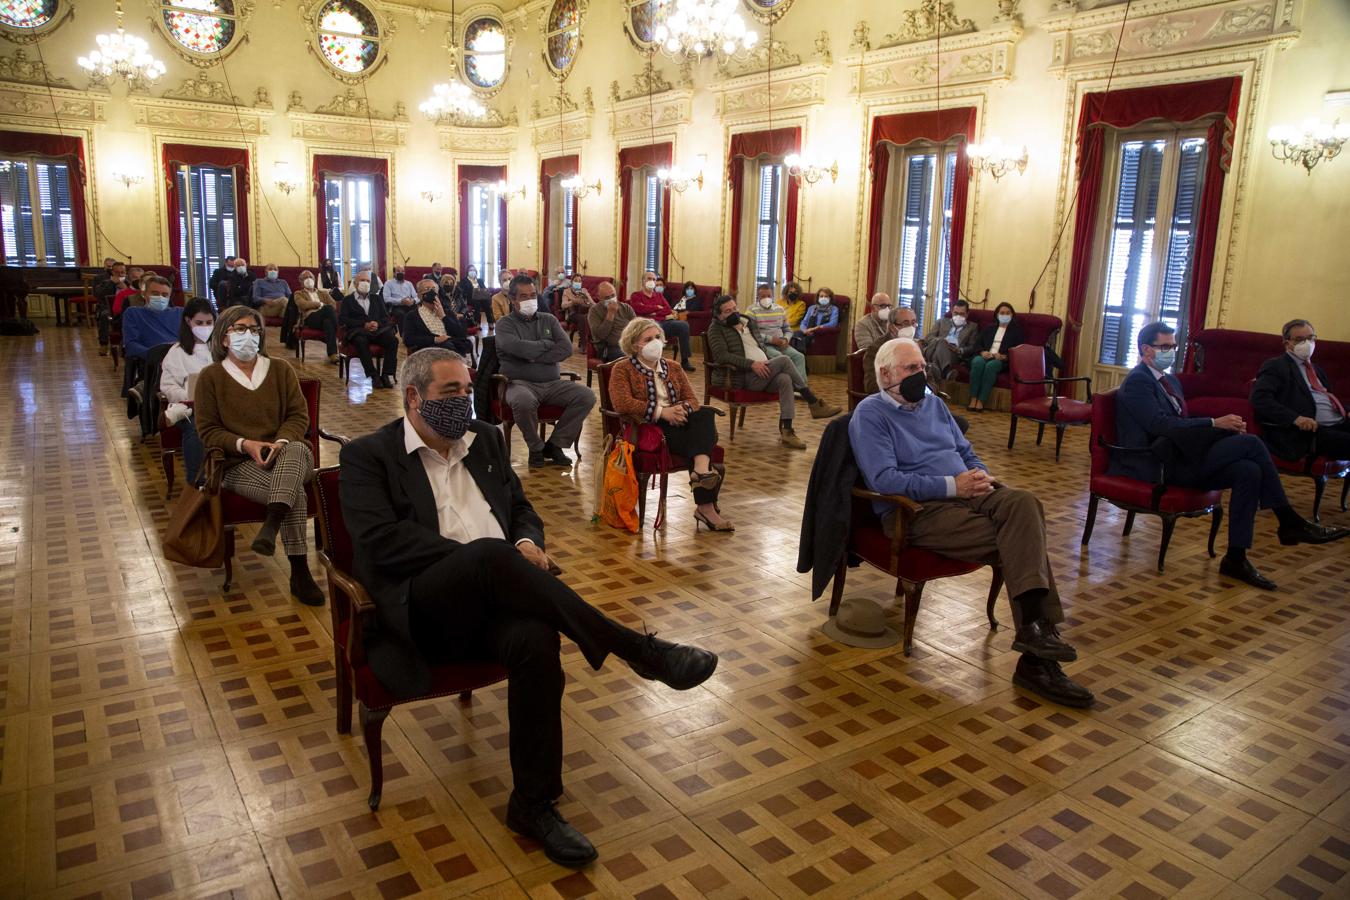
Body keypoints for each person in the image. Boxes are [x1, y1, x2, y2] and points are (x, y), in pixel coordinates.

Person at [339, 348, 717, 867]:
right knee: (491, 557)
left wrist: (524, 542)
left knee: (536, 642)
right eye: (449, 393)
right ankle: (636, 649)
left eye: (467, 390)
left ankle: (533, 805)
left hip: (498, 600)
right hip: (424, 609)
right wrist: (486, 559)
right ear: (413, 397)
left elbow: (520, 508)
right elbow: (380, 542)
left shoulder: (486, 440)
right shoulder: (369, 456)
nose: (463, 401)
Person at [850, 337, 1094, 708]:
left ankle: (1034, 633)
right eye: (911, 369)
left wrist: (980, 474)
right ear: (885, 374)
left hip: (971, 495)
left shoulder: (933, 403)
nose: (922, 374)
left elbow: (964, 451)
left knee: (1025, 503)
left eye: (922, 367)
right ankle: (1038, 657)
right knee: (1021, 542)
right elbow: (885, 479)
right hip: (920, 511)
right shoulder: (871, 414)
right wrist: (953, 485)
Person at [1113, 321, 1347, 591]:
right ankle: (1288, 520)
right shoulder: (1138, 382)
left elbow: (1181, 422)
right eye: (1164, 347)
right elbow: (1159, 425)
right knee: (1251, 445)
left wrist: (1222, 425)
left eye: (1174, 346)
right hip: (1156, 464)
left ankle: (1236, 557)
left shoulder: (1169, 379)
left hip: (1180, 455)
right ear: (1146, 349)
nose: (1171, 351)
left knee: (1249, 470)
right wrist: (1214, 424)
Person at [194, 306, 324, 606]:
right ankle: (300, 571)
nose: (248, 336)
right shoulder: (211, 377)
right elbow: (208, 431)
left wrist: (278, 442)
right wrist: (245, 444)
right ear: (224, 338)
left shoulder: (280, 369)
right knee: (294, 493)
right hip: (239, 464)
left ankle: (272, 522)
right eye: (240, 329)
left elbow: (298, 416)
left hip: (286, 454)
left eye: (254, 330)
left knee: (295, 447)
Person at [610, 318, 734, 531]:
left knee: (704, 414)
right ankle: (706, 504)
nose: (655, 342)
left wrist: (680, 410)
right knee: (701, 441)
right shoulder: (623, 369)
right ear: (634, 344)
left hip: (680, 422)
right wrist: (662, 412)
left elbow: (692, 400)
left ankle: (700, 472)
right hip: (649, 428)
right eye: (648, 339)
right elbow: (622, 403)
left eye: (658, 337)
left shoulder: (674, 367)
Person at [705, 294, 840, 450]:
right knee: (784, 360)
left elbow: (760, 346)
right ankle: (813, 402)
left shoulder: (748, 322)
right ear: (719, 315)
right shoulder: (716, 328)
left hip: (763, 371)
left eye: (735, 308)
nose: (734, 312)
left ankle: (788, 431)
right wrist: (752, 364)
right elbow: (722, 356)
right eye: (728, 311)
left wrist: (764, 360)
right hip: (742, 376)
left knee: (784, 379)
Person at [495, 274, 597, 468]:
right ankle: (535, 448)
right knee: (523, 401)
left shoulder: (548, 320)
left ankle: (555, 445)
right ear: (513, 299)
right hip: (518, 383)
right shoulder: (504, 324)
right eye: (524, 296)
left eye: (533, 295)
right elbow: (516, 347)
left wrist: (531, 356)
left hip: (552, 383)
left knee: (586, 396)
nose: (530, 300)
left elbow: (565, 349)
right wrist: (545, 345)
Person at [1251, 318, 1350, 462]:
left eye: (1311, 338)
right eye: (1300, 339)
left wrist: (1346, 410)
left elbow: (1327, 400)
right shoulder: (1276, 366)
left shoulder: (1317, 369)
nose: (1307, 344)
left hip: (1339, 422)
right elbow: (1260, 399)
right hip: (1310, 432)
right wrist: (1296, 419)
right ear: (1287, 343)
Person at [159, 298, 216, 486]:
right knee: (196, 427)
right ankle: (196, 482)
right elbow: (167, 387)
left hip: (219, 405)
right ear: (188, 321)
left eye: (209, 323)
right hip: (189, 407)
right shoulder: (176, 352)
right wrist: (188, 395)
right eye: (199, 323)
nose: (205, 327)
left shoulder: (221, 349)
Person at [338, 271, 398, 389]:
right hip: (358, 332)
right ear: (355, 284)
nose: (365, 283)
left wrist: (377, 324)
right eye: (362, 280)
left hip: (377, 331)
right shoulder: (348, 300)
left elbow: (385, 318)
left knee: (393, 340)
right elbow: (343, 319)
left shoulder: (376, 299)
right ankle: (373, 375)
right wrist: (363, 324)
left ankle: (386, 374)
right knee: (361, 341)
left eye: (368, 281)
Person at [628, 270, 694, 372]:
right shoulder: (636, 295)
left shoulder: (658, 295)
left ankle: (685, 361)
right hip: (647, 325)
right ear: (643, 281)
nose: (652, 281)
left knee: (683, 325)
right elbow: (638, 309)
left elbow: (667, 309)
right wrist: (657, 307)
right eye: (649, 279)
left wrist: (653, 312)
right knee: (656, 327)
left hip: (664, 323)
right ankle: (653, 361)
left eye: (654, 279)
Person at [968, 301, 1023, 411]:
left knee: (991, 366)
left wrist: (1004, 356)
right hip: (985, 355)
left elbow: (1019, 350)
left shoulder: (1017, 332)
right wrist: (982, 352)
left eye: (1008, 313)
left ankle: (981, 400)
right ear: (997, 315)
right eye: (1002, 313)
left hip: (1000, 360)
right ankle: (973, 398)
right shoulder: (989, 328)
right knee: (977, 362)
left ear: (1012, 315)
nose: (1005, 315)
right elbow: (977, 344)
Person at [748, 283, 808, 381]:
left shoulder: (779, 309)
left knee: (799, 357)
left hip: (781, 344)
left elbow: (788, 329)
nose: (766, 298)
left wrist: (785, 339)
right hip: (764, 345)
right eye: (763, 296)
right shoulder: (751, 310)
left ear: (772, 296)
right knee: (781, 358)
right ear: (758, 297)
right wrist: (772, 340)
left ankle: (801, 387)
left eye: (769, 296)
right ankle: (789, 384)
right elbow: (752, 332)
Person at [853, 294, 911, 393]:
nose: (887, 309)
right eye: (883, 306)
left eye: (889, 306)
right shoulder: (862, 324)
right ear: (872, 307)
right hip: (876, 364)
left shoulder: (894, 323)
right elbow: (866, 349)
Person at [122, 276, 181, 363]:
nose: (160, 297)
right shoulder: (133, 313)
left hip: (179, 358)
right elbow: (131, 344)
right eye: (155, 294)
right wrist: (153, 354)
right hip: (151, 362)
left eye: (164, 295)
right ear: (144, 294)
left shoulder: (179, 312)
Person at [403, 282, 473, 356]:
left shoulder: (448, 312)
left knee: (465, 344)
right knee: (448, 347)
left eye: (433, 289)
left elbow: (460, 334)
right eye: (427, 289)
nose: (431, 292)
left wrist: (443, 316)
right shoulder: (411, 315)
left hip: (451, 344)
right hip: (429, 349)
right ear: (419, 295)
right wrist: (435, 339)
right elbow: (408, 340)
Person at [922, 298, 980, 382]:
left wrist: (960, 350)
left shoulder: (972, 327)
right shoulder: (941, 322)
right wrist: (940, 340)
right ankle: (946, 371)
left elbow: (972, 346)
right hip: (932, 349)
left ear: (967, 314)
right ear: (952, 312)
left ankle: (933, 368)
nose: (958, 316)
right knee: (942, 342)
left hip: (954, 354)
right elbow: (929, 338)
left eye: (961, 314)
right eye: (955, 313)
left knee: (936, 361)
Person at [292, 270, 339, 363]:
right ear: (301, 281)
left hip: (324, 317)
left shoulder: (323, 293)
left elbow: (333, 304)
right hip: (310, 318)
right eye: (305, 278)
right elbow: (304, 305)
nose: (309, 279)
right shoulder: (298, 294)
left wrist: (322, 306)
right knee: (327, 308)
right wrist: (320, 304)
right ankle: (339, 331)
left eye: (311, 277)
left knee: (328, 323)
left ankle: (333, 354)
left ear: (314, 279)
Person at [586, 282, 633, 363]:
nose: (611, 299)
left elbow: (638, 328)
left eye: (613, 295)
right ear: (600, 298)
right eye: (607, 297)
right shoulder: (594, 311)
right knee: (627, 359)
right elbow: (600, 335)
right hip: (609, 348)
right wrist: (610, 314)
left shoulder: (626, 308)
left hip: (629, 344)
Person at [94, 260, 127, 356]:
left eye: (122, 272)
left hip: (124, 309)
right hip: (109, 309)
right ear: (112, 272)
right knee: (104, 315)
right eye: (117, 272)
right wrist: (112, 283)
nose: (120, 275)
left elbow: (134, 295)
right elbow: (99, 295)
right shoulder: (105, 282)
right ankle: (103, 344)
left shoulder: (128, 282)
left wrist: (125, 289)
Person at [793, 287, 838, 352]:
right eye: (821, 296)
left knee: (798, 341)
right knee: (796, 334)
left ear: (830, 298)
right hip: (807, 331)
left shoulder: (834, 309)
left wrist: (816, 329)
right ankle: (800, 355)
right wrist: (805, 330)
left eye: (826, 296)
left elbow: (833, 323)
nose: (823, 298)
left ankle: (800, 356)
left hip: (820, 334)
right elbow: (804, 322)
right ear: (818, 298)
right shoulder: (812, 308)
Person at [383, 264, 418, 330]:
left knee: (418, 312)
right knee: (401, 314)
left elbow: (416, 296)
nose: (401, 273)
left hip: (410, 304)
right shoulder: (388, 283)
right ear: (394, 273)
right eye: (398, 271)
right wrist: (401, 301)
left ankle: (416, 333)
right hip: (397, 306)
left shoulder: (409, 283)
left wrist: (413, 301)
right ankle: (404, 335)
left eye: (402, 271)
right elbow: (386, 299)